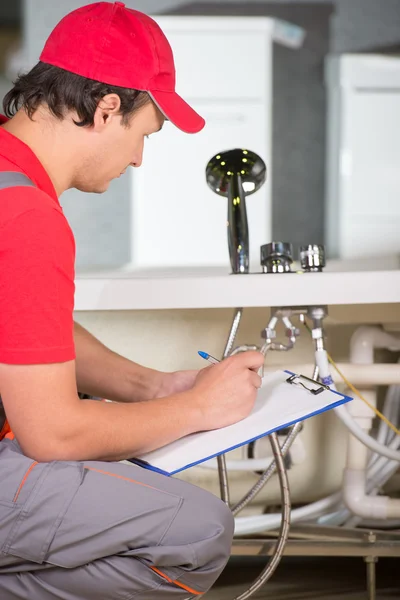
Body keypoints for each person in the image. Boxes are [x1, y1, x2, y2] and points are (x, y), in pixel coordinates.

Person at [0, 2, 264, 599]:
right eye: (145, 135)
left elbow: (25, 329)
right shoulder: (24, 216)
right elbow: (54, 435)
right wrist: (202, 411)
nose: (139, 160)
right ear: (107, 108)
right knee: (198, 532)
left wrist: (158, 388)